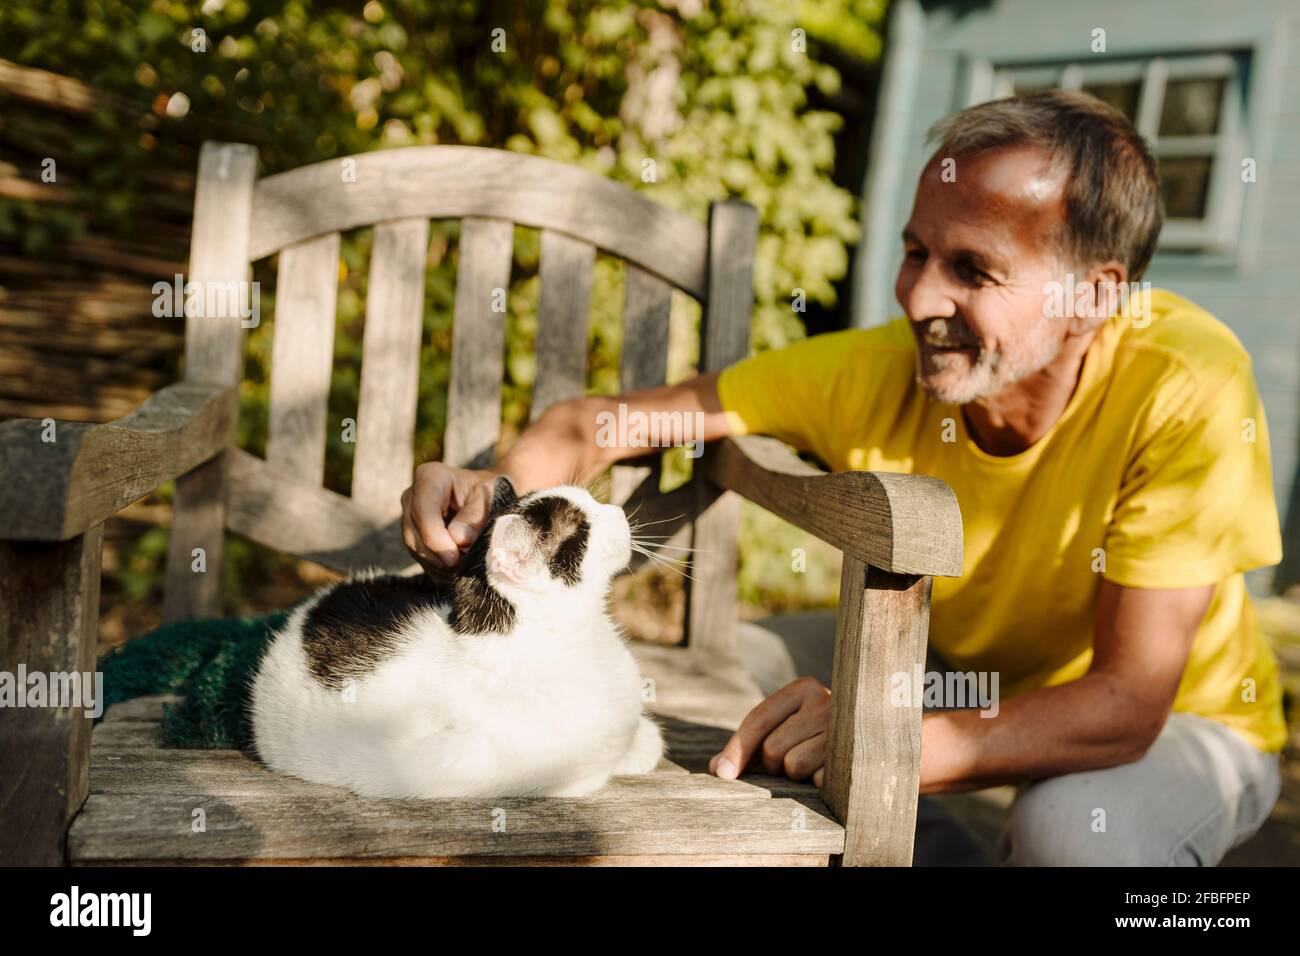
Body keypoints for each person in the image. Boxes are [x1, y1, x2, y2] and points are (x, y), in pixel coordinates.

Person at [401, 91, 1285, 865]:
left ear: (1095, 296)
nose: (918, 300)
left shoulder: (1189, 383)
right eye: (914, 252)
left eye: (972, 270)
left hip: (1177, 721)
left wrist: (881, 737)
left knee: (1080, 838)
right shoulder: (872, 369)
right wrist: (493, 496)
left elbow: (1129, 702)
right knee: (662, 682)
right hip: (958, 669)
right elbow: (595, 426)